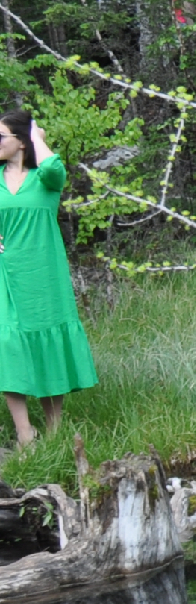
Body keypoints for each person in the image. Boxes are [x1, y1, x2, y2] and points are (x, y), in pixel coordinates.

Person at [0, 112, 98, 448]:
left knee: (47, 344)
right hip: (5, 275)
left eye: (1, 137)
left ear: (20, 140)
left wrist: (37, 137)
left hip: (43, 274)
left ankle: (55, 432)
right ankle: (25, 433)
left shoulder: (45, 179)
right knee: (7, 346)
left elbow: (56, 167)